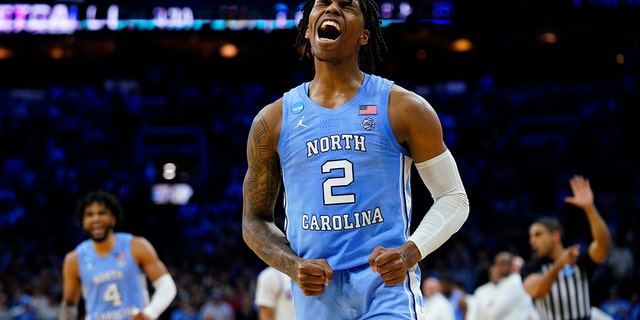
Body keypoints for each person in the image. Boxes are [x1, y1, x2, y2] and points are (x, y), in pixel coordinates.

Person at [241, 0, 470, 319]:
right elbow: (254, 221)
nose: (332, 9)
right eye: (323, 4)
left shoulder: (404, 108)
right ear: (308, 28)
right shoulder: (273, 121)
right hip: (318, 298)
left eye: (346, 5)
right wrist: (294, 266)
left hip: (387, 292)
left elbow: (453, 198)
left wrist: (410, 252)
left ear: (364, 34)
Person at [59, 190, 177, 320]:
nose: (96, 219)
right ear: (83, 222)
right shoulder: (74, 259)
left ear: (113, 218)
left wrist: (149, 313)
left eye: (102, 213)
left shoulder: (136, 246)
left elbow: (166, 286)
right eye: (89, 215)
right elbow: (69, 305)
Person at [521, 175, 612, 320]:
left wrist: (589, 208)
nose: (532, 241)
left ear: (555, 236)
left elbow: (604, 245)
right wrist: (559, 265)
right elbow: (536, 291)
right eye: (531, 237)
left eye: (538, 235)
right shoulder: (530, 267)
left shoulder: (578, 259)